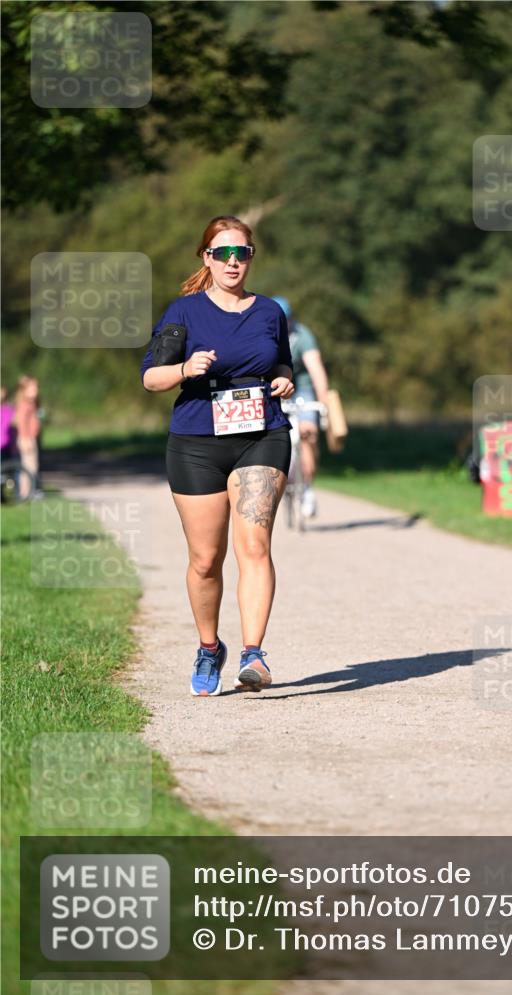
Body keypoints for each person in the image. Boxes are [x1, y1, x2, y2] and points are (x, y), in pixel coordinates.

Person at [140, 215, 295, 697]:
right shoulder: (184, 312)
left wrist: (285, 379)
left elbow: (282, 360)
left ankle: (253, 655)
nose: (233, 262)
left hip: (262, 435)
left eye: (241, 253)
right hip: (196, 443)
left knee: (255, 546)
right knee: (206, 559)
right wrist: (185, 368)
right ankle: (210, 648)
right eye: (223, 253)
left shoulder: (270, 312)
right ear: (206, 258)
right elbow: (151, 378)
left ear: (251, 257)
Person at [273, 297, 329, 518]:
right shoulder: (263, 334)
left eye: (286, 320)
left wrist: (322, 402)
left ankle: (307, 487)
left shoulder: (302, 335)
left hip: (302, 389)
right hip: (275, 388)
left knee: (307, 433)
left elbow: (316, 370)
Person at [14, 375, 43, 497]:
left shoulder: (32, 404)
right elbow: (21, 422)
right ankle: (26, 492)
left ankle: (30, 490)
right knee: (28, 467)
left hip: (31, 438)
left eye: (36, 388)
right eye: (33, 388)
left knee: (33, 466)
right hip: (26, 439)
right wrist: (25, 439)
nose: (36, 390)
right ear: (24, 390)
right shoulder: (24, 404)